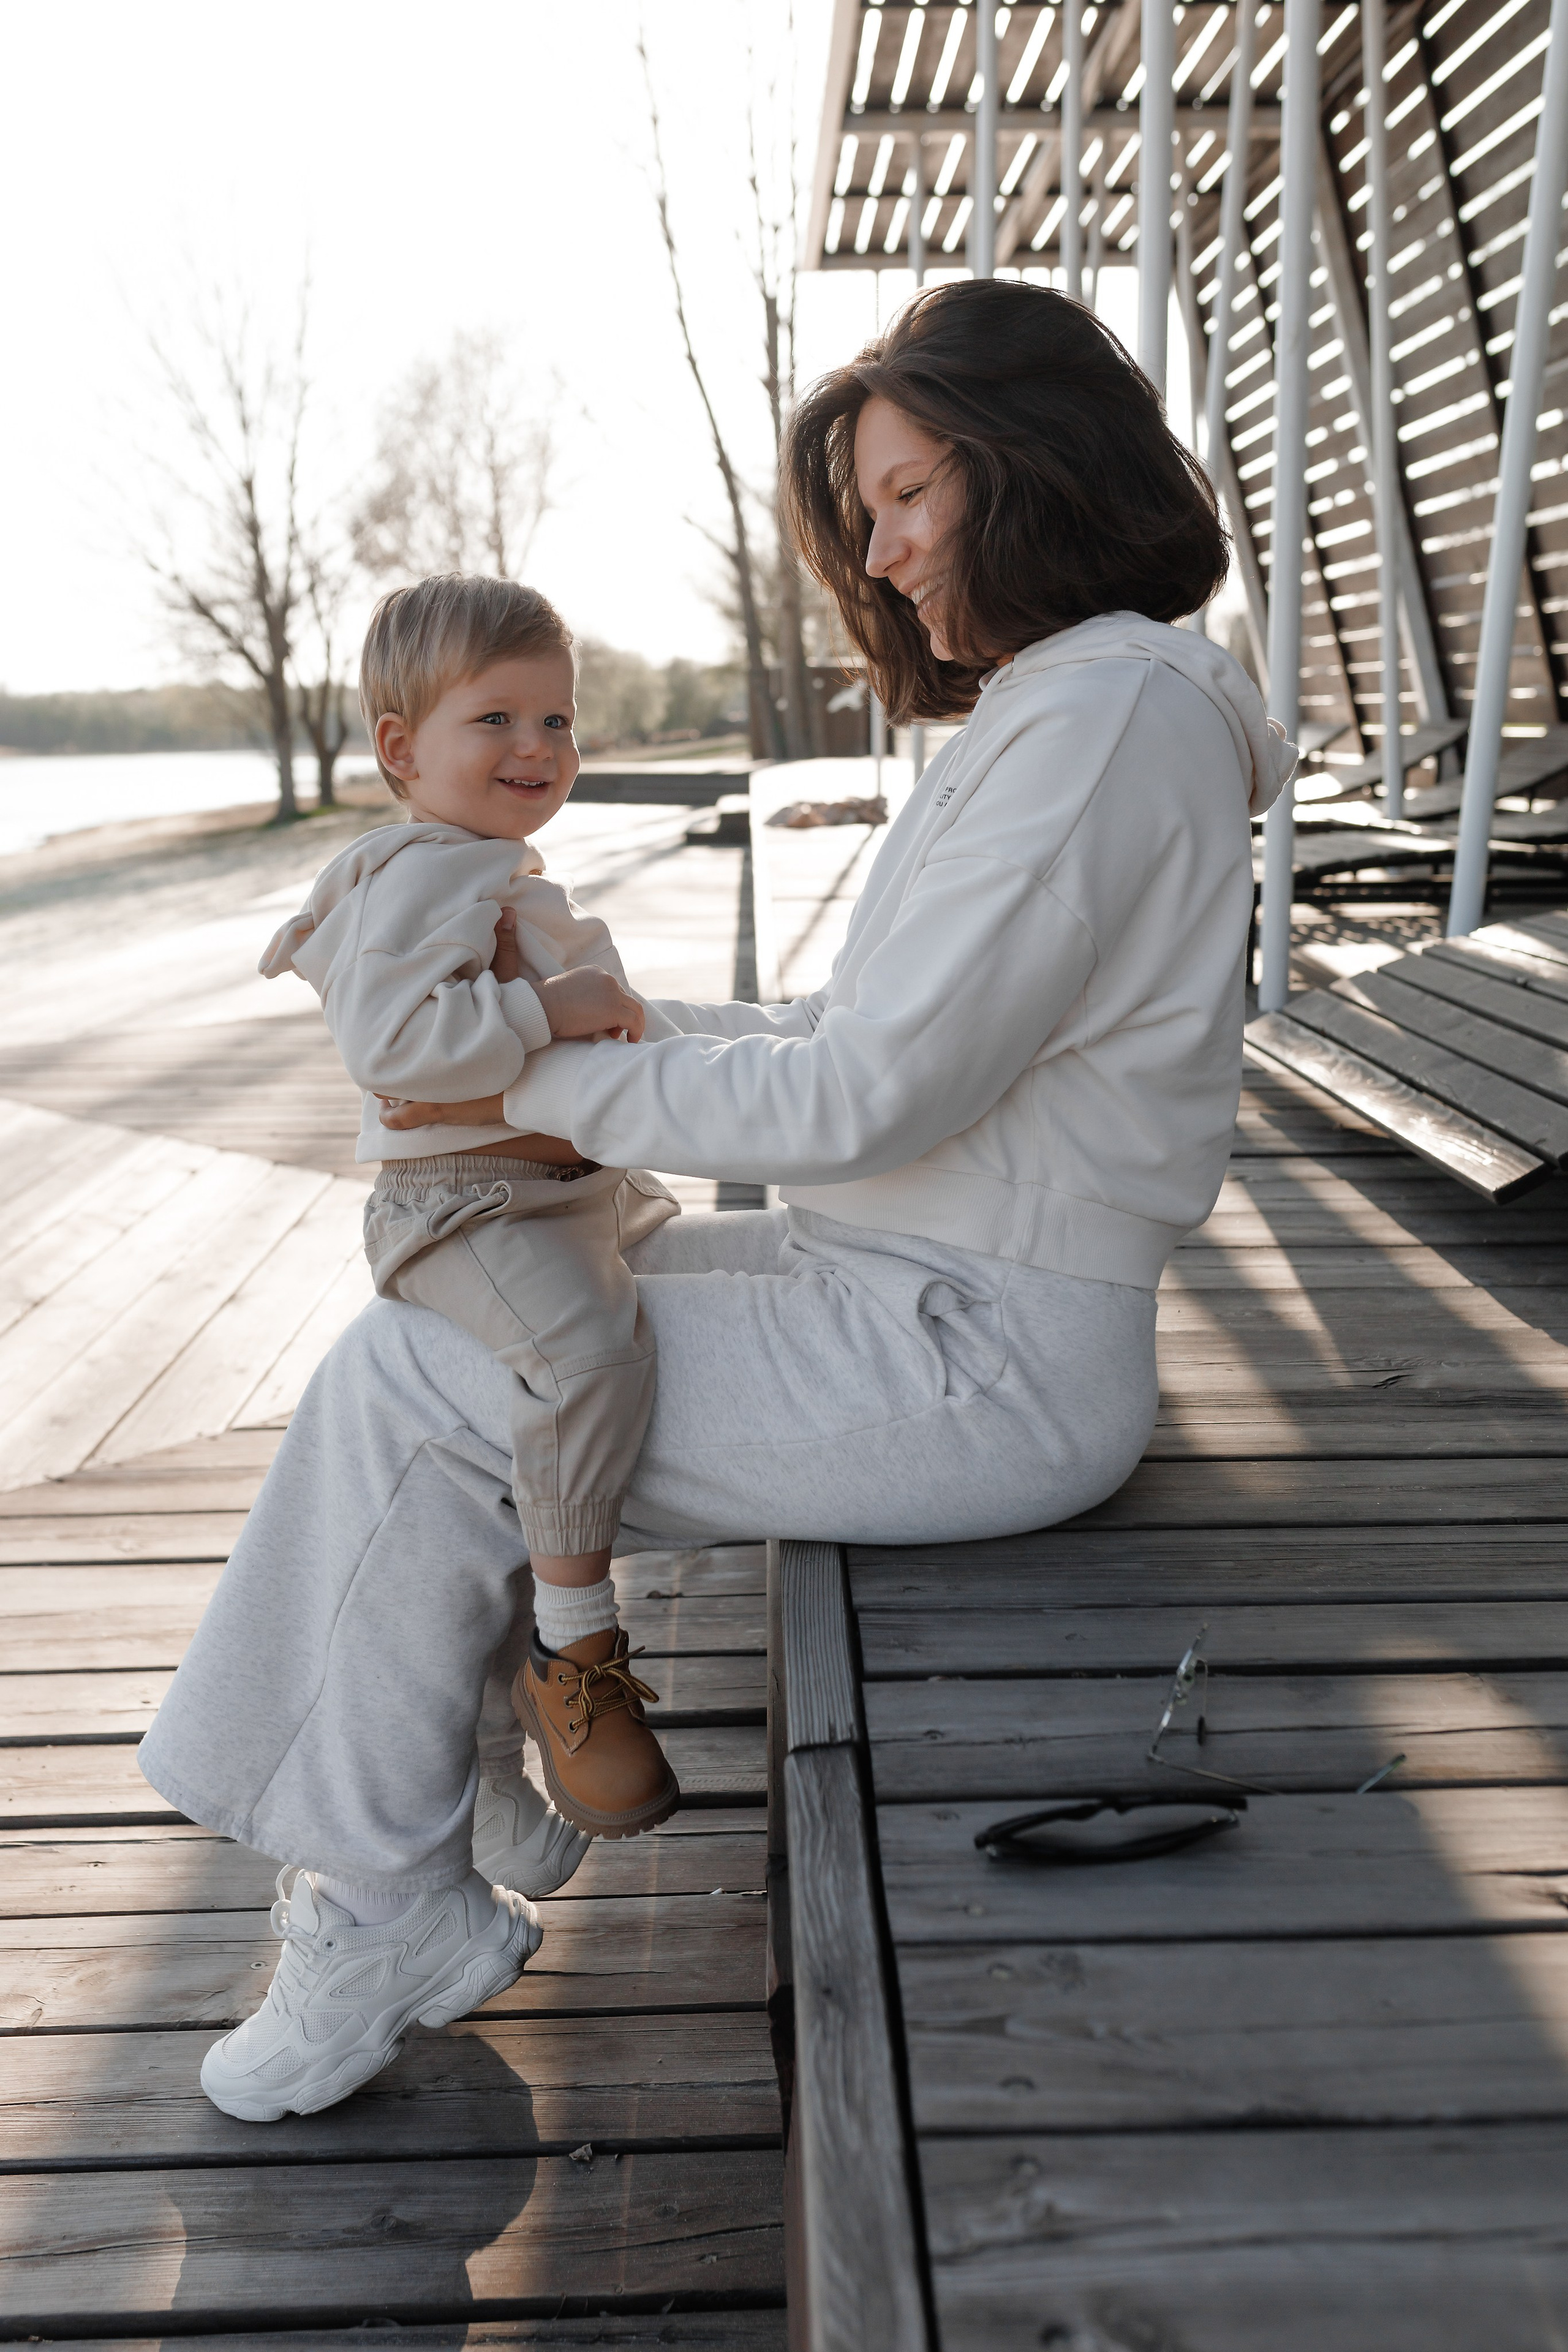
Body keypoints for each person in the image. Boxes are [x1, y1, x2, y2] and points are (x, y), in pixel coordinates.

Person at [140, 277, 1293, 2124]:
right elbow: (859, 1035)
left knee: (418, 1382)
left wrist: (502, 1073)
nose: (888, 548)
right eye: (870, 510)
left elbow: (865, 1094)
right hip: (931, 1290)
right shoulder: (1076, 710)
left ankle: (382, 1899)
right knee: (462, 1330)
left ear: (1036, 460)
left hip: (968, 1354)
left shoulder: (1098, 728)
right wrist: (620, 1030)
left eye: (913, 491)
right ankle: (411, 1823)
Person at [261, 575, 683, 1877]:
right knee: (589, 1359)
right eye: (494, 719)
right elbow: (391, 1044)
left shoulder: (486, 866)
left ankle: (483, 1745)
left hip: (551, 1185)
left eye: (557, 720)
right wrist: (553, 1016)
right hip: (466, 1204)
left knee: (675, 1287)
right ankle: (576, 1650)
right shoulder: (422, 876)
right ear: (400, 750)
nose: (537, 749)